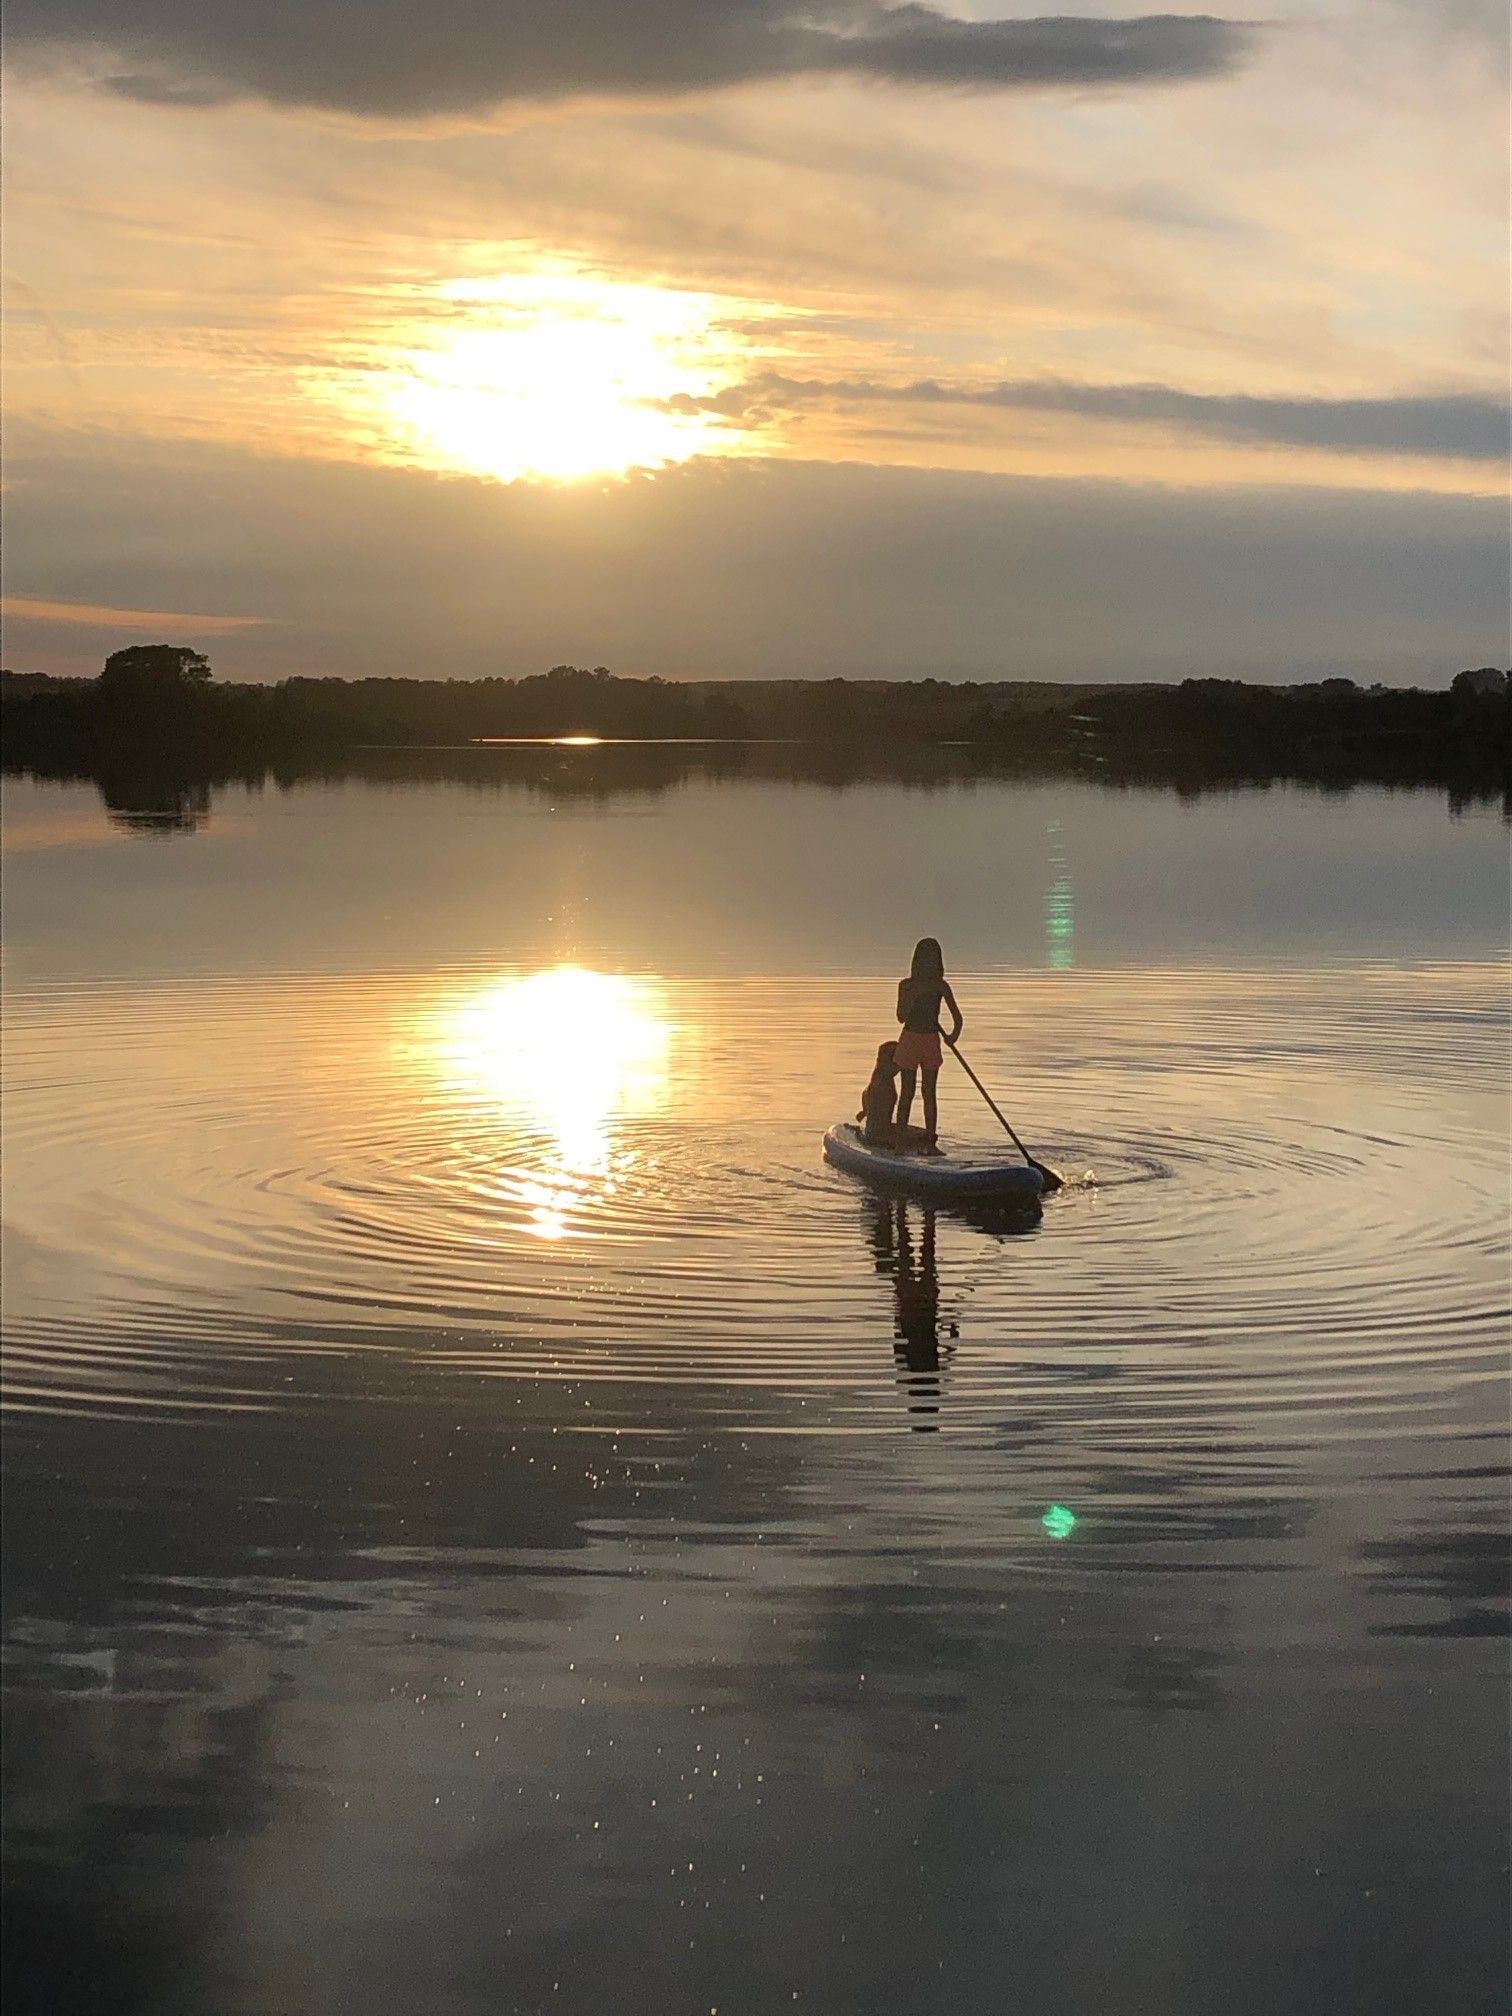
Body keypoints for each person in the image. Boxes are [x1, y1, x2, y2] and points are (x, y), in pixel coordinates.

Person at [894, 936, 963, 1146]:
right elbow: (901, 1017)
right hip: (910, 1040)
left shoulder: (941, 987)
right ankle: (900, 1140)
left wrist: (952, 1037)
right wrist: (913, 998)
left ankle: (930, 1140)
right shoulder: (906, 986)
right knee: (907, 1091)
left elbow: (958, 1019)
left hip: (931, 1041)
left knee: (929, 1092)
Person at [857, 1040, 933, 1150]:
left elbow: (865, 1094)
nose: (901, 1066)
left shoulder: (878, 1079)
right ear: (888, 1062)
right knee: (923, 1137)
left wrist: (865, 1111)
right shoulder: (882, 1086)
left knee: (924, 1134)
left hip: (878, 1131)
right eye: (898, 1062)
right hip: (878, 1136)